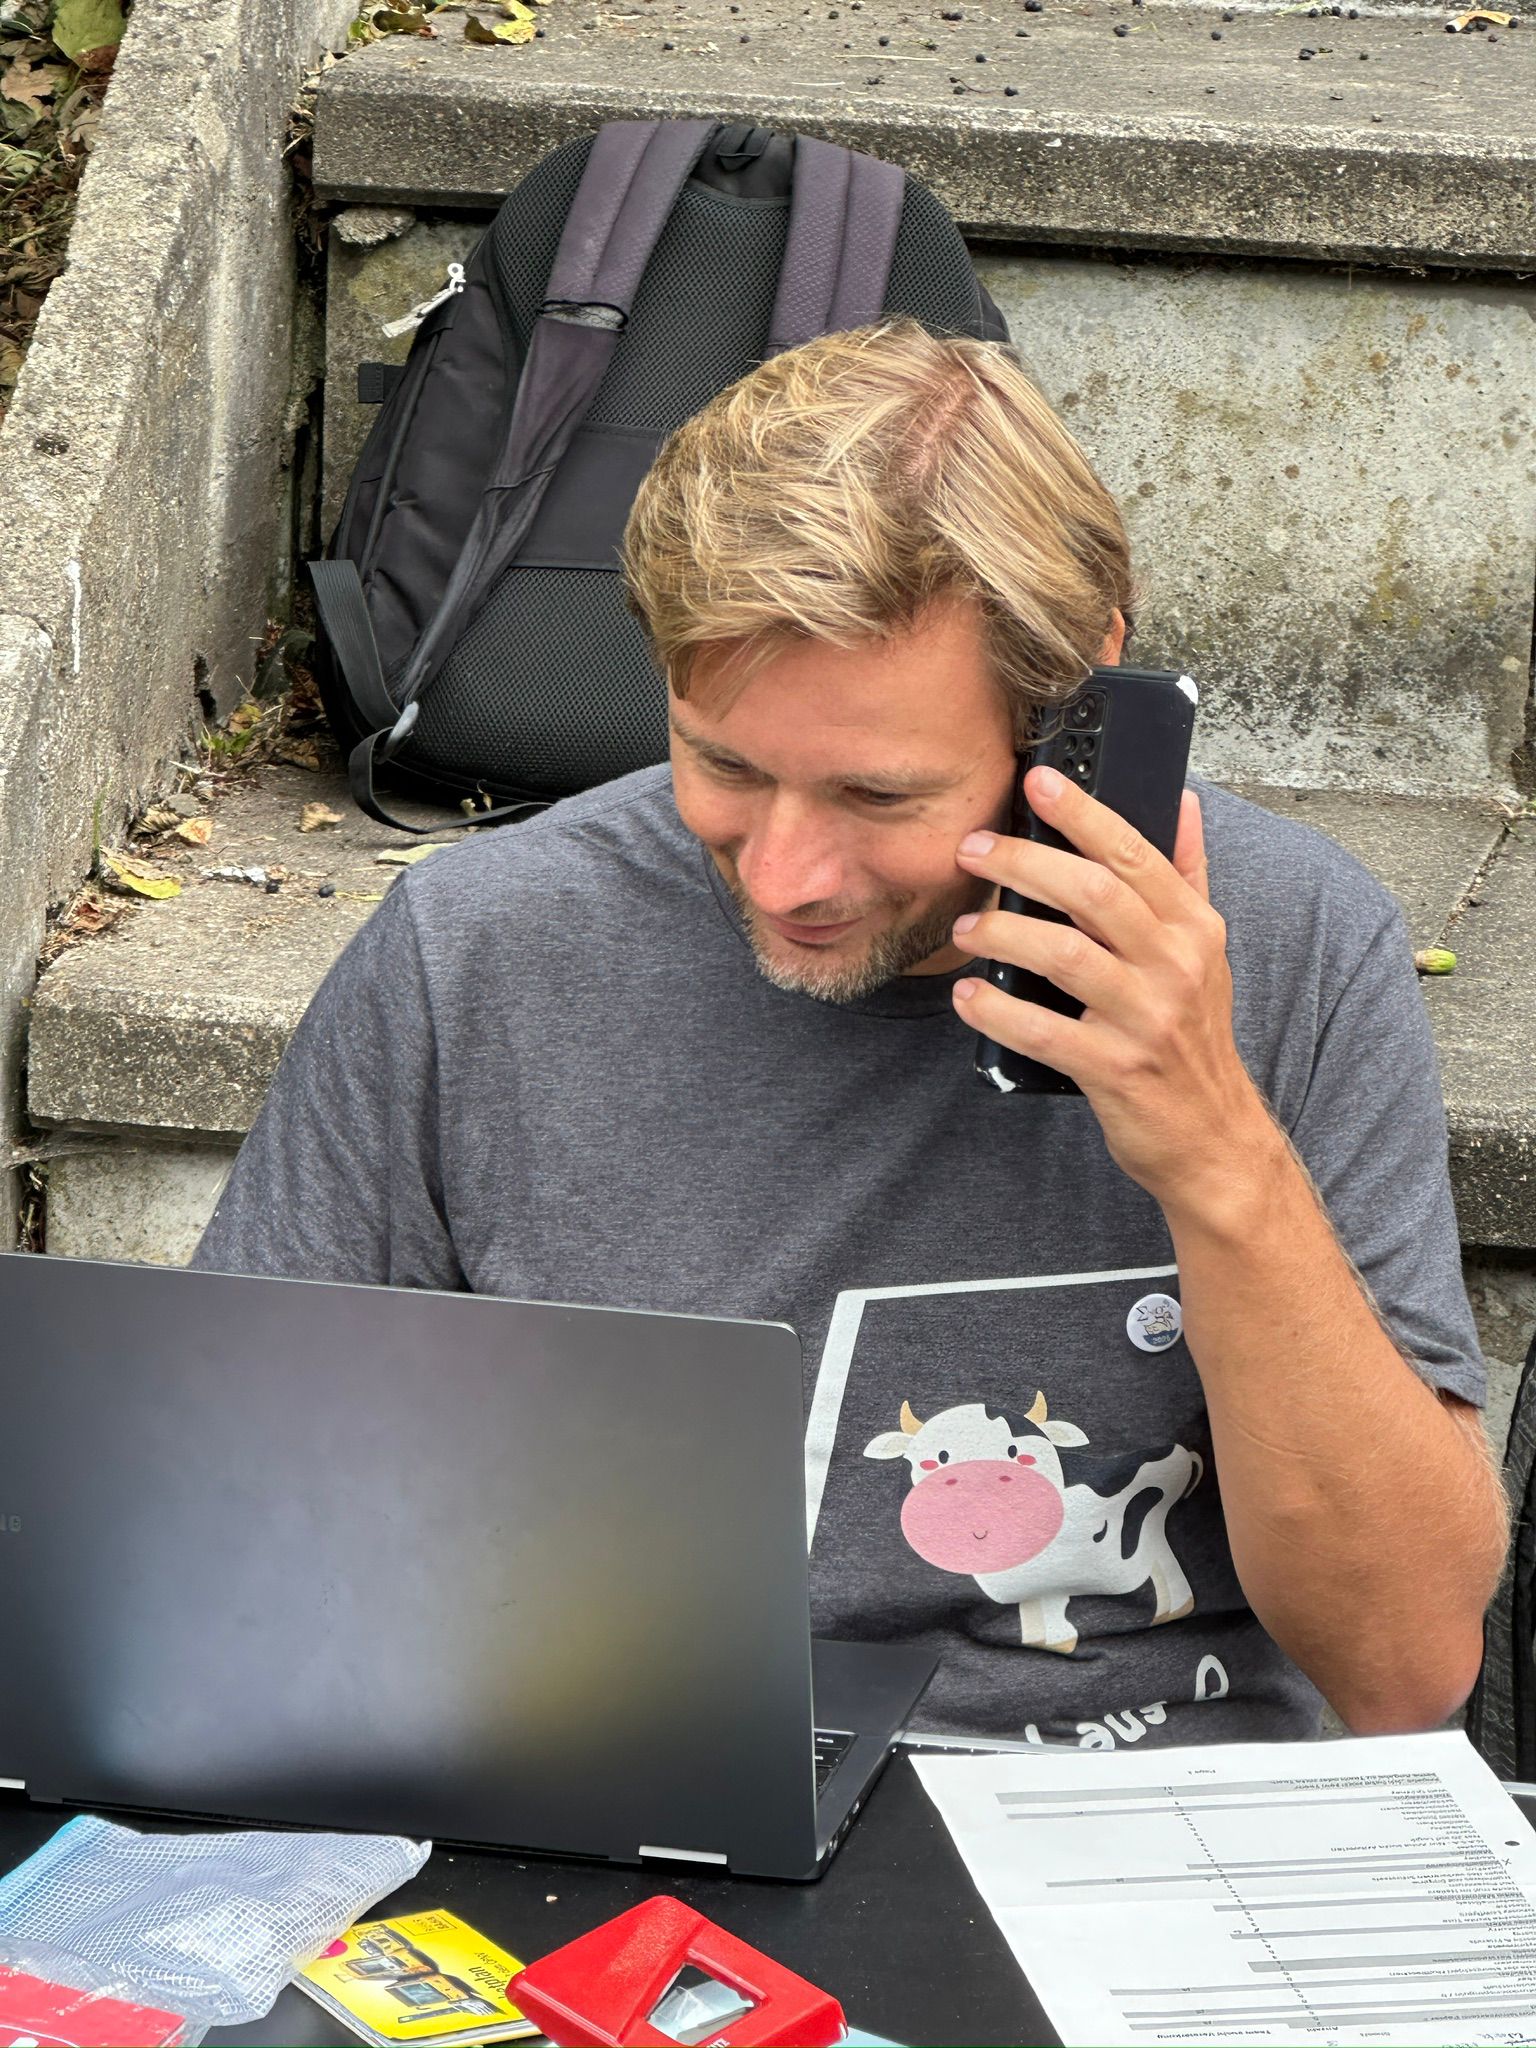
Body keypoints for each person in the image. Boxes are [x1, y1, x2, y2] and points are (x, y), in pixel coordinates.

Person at [194, 320, 1506, 1748]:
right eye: (724, 764)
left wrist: (1216, 1152)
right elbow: (233, 1548)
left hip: (1144, 1810)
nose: (783, 876)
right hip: (644, 1777)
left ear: (1075, 695)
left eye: (879, 796)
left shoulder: (1301, 946)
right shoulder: (478, 956)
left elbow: (1404, 1667)